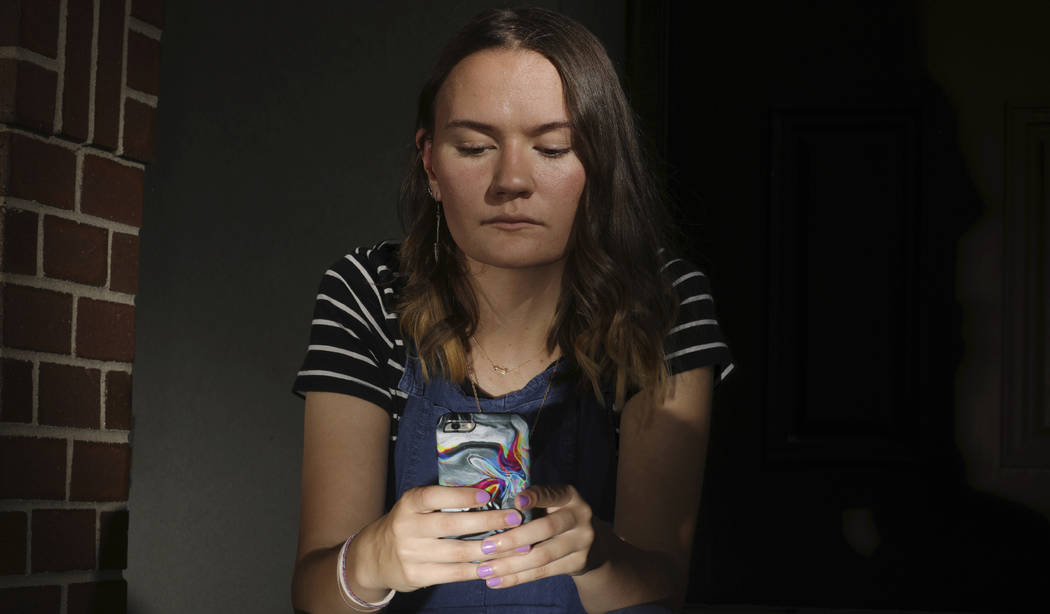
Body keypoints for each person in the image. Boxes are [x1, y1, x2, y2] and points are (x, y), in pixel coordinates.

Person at [291, 7, 732, 613]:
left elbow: (662, 587)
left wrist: (596, 555)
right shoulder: (369, 292)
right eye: (474, 147)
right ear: (430, 164)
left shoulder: (665, 301)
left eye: (553, 149)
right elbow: (315, 592)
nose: (511, 181)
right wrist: (372, 559)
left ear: (599, 166)